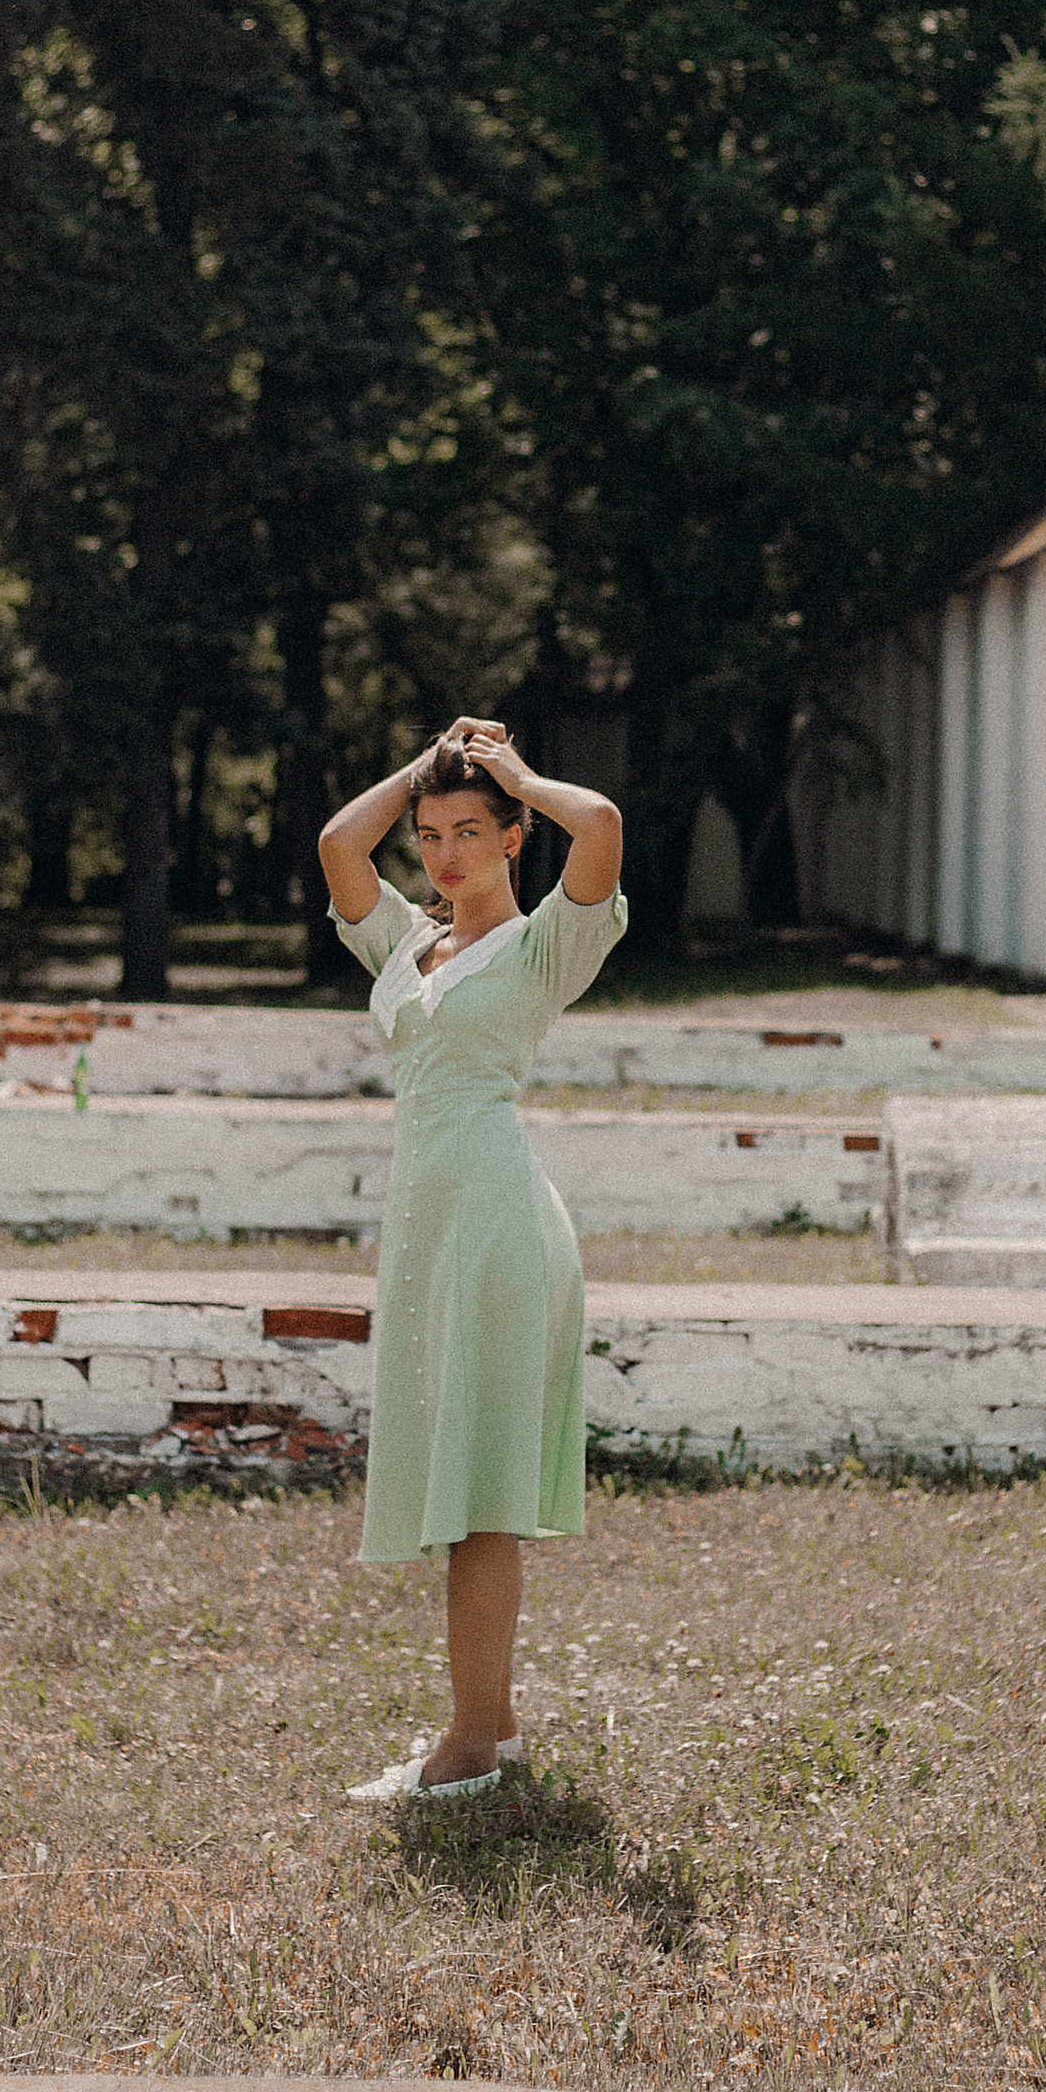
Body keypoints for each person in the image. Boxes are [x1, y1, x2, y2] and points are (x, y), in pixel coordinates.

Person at [316, 716, 626, 1796]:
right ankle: (490, 1727)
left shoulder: (544, 946)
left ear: (511, 838)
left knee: (478, 1497)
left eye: (469, 831)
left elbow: (602, 824)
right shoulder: (408, 940)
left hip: (495, 1220)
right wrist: (419, 768)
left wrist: (521, 775)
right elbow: (335, 850)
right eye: (430, 835)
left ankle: (467, 1749)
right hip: (428, 1224)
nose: (444, 854)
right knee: (461, 1478)